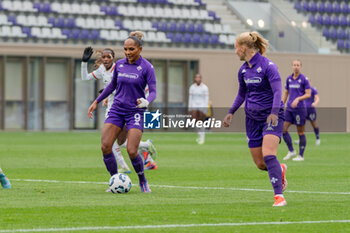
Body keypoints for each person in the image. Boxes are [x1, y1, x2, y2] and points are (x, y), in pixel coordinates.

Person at [223, 31, 288, 207]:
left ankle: (279, 196)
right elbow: (241, 94)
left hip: (271, 116)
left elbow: (277, 92)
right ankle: (279, 169)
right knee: (260, 164)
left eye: (236, 48)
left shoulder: (268, 66)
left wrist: (274, 112)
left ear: (244, 48)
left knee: (268, 155)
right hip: (251, 119)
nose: (235, 51)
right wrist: (231, 112)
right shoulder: (243, 70)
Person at [88, 31, 156, 193]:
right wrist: (96, 101)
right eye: (125, 49)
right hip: (117, 109)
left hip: (135, 112)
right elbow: (112, 86)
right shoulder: (119, 64)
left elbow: (153, 91)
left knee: (132, 150)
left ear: (139, 49)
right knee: (105, 146)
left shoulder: (147, 67)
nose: (128, 52)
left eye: (131, 49)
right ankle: (114, 180)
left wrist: (147, 100)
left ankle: (143, 181)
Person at [282, 59, 311, 161]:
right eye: (294, 65)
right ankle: (291, 151)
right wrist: (281, 104)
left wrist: (298, 99)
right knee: (283, 129)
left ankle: (301, 155)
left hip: (300, 109)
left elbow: (308, 94)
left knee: (300, 132)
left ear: (301, 66)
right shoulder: (289, 79)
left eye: (298, 65)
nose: (296, 67)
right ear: (292, 66)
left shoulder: (304, 79)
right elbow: (286, 93)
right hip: (289, 109)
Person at [188, 74, 209, 144]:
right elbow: (190, 98)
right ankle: (198, 132)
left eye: (199, 78)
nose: (197, 79)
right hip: (194, 105)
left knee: (202, 121)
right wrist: (189, 108)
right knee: (194, 121)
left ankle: (202, 138)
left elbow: (206, 98)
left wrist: (206, 108)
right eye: (196, 78)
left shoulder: (205, 88)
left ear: (201, 79)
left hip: (202, 105)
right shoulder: (192, 87)